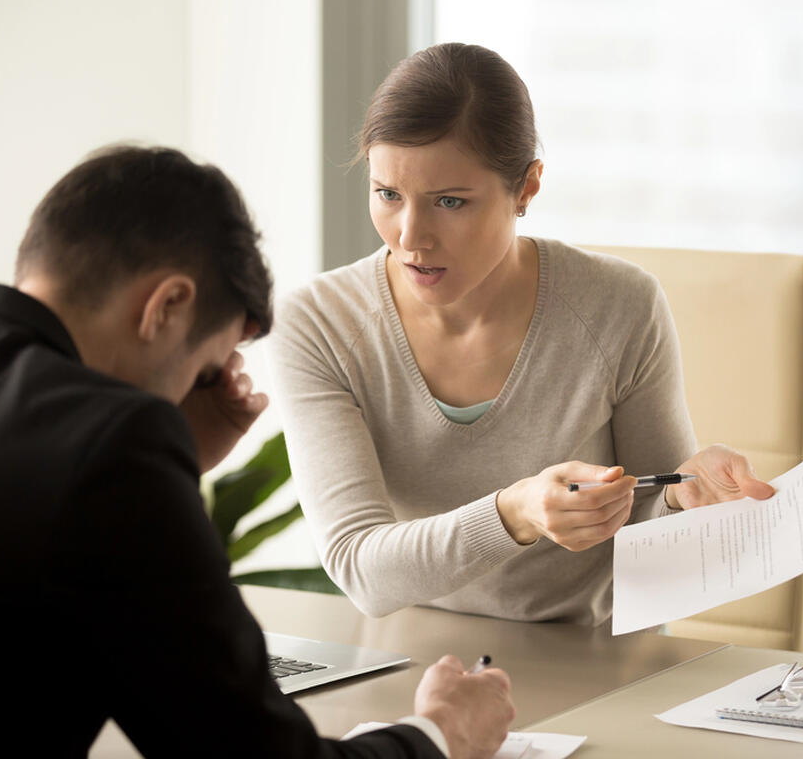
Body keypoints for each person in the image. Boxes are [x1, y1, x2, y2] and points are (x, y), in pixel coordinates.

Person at [0, 145, 514, 758]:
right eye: (204, 367)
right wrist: (441, 735)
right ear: (167, 306)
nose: (193, 392)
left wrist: (176, 457)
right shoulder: (113, 446)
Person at [267, 43, 776, 623]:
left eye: (450, 201)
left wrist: (685, 500)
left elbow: (651, 538)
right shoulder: (318, 325)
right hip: (412, 666)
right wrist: (515, 513)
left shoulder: (621, 307)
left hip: (592, 664)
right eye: (388, 195)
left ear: (527, 188)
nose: (410, 237)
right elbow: (360, 568)